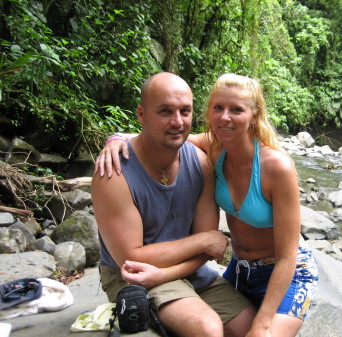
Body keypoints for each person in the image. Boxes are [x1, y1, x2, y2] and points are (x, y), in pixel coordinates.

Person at [97, 74, 319, 337]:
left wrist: (262, 324)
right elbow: (157, 134)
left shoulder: (265, 165)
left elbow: (285, 256)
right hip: (230, 270)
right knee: (210, 328)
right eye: (218, 108)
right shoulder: (213, 150)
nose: (225, 117)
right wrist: (116, 138)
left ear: (255, 115)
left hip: (284, 269)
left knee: (255, 331)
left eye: (236, 109)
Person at [91, 72, 256, 337]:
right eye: (166, 111)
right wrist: (202, 242)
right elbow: (132, 258)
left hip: (188, 270)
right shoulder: (114, 174)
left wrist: (194, 254)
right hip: (133, 276)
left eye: (185, 111)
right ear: (142, 114)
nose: (177, 121)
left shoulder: (201, 164)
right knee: (208, 328)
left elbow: (208, 250)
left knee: (252, 327)